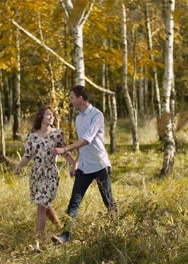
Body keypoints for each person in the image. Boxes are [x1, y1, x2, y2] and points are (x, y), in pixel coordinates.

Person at [51, 85, 118, 244]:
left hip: (101, 166)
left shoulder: (97, 115)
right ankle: (65, 236)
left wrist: (65, 149)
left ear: (80, 98)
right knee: (74, 202)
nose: (70, 100)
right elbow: (82, 143)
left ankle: (117, 230)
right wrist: (77, 163)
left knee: (108, 200)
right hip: (84, 167)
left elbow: (87, 139)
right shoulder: (78, 118)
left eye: (72, 97)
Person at [15, 106, 76, 251]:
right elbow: (27, 155)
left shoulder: (57, 134)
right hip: (36, 174)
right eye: (48, 115)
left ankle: (37, 242)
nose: (51, 117)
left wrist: (75, 165)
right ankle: (60, 227)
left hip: (50, 174)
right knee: (45, 206)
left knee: (41, 207)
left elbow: (65, 153)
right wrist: (19, 166)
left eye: (52, 115)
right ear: (41, 117)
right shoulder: (32, 136)